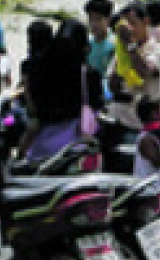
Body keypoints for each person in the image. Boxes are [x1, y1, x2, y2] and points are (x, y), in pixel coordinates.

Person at [21, 19, 104, 161]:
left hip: (41, 145)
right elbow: (97, 106)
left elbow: (32, 105)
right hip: (77, 146)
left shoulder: (39, 68)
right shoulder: (89, 74)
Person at [109, 3, 160, 132]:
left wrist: (130, 45)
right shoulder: (121, 52)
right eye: (126, 26)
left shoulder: (159, 50)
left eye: (132, 24)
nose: (130, 30)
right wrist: (122, 54)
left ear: (146, 21)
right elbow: (113, 86)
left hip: (142, 124)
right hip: (118, 120)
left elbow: (145, 71)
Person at [83, 0, 116, 77]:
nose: (93, 24)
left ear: (108, 19)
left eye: (98, 19)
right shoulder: (88, 40)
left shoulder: (114, 44)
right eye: (90, 18)